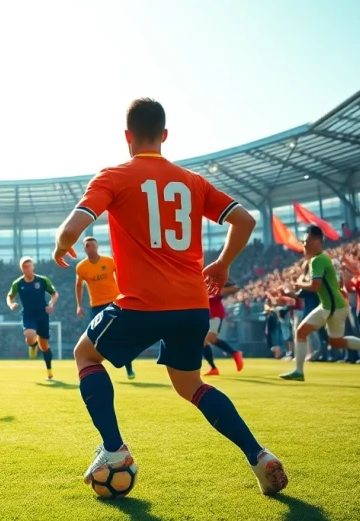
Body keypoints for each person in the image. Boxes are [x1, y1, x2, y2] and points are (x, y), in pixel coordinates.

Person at [53, 98, 287, 495]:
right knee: (190, 385)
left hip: (143, 303)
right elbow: (244, 220)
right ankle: (258, 455)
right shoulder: (192, 181)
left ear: (127, 137)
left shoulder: (113, 175)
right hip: (193, 305)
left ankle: (114, 452)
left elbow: (72, 228)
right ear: (164, 135)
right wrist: (223, 263)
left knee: (85, 354)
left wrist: (62, 246)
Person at [280, 227, 360, 381]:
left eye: (306, 242)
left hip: (332, 306)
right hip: (333, 305)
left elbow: (315, 286)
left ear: (317, 242)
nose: (304, 245)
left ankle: (299, 371)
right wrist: (295, 291)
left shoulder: (318, 260)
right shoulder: (320, 259)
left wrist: (300, 283)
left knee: (301, 333)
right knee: (335, 341)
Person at [74, 236, 134, 380]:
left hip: (115, 302)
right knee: (95, 337)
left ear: (97, 247)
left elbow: (122, 274)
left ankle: (129, 368)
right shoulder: (81, 267)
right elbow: (78, 285)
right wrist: (79, 305)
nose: (91, 248)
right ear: (84, 248)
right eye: (87, 246)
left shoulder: (109, 261)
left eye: (93, 245)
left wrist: (126, 293)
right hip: (96, 306)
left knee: (123, 334)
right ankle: (96, 367)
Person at [7, 257, 59, 380]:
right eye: (25, 267)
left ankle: (49, 370)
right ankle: (32, 345)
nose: (28, 269)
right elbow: (10, 296)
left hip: (42, 315)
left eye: (29, 266)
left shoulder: (42, 280)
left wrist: (51, 305)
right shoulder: (18, 283)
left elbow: (54, 293)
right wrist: (11, 304)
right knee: (30, 335)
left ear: (33, 267)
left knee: (45, 345)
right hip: (28, 315)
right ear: (21, 269)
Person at [202, 278, 245, 376]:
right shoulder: (202, 287)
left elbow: (235, 287)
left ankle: (235, 353)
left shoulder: (213, 286)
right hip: (206, 316)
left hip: (215, 315)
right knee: (206, 341)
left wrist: (221, 289)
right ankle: (214, 368)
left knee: (207, 339)